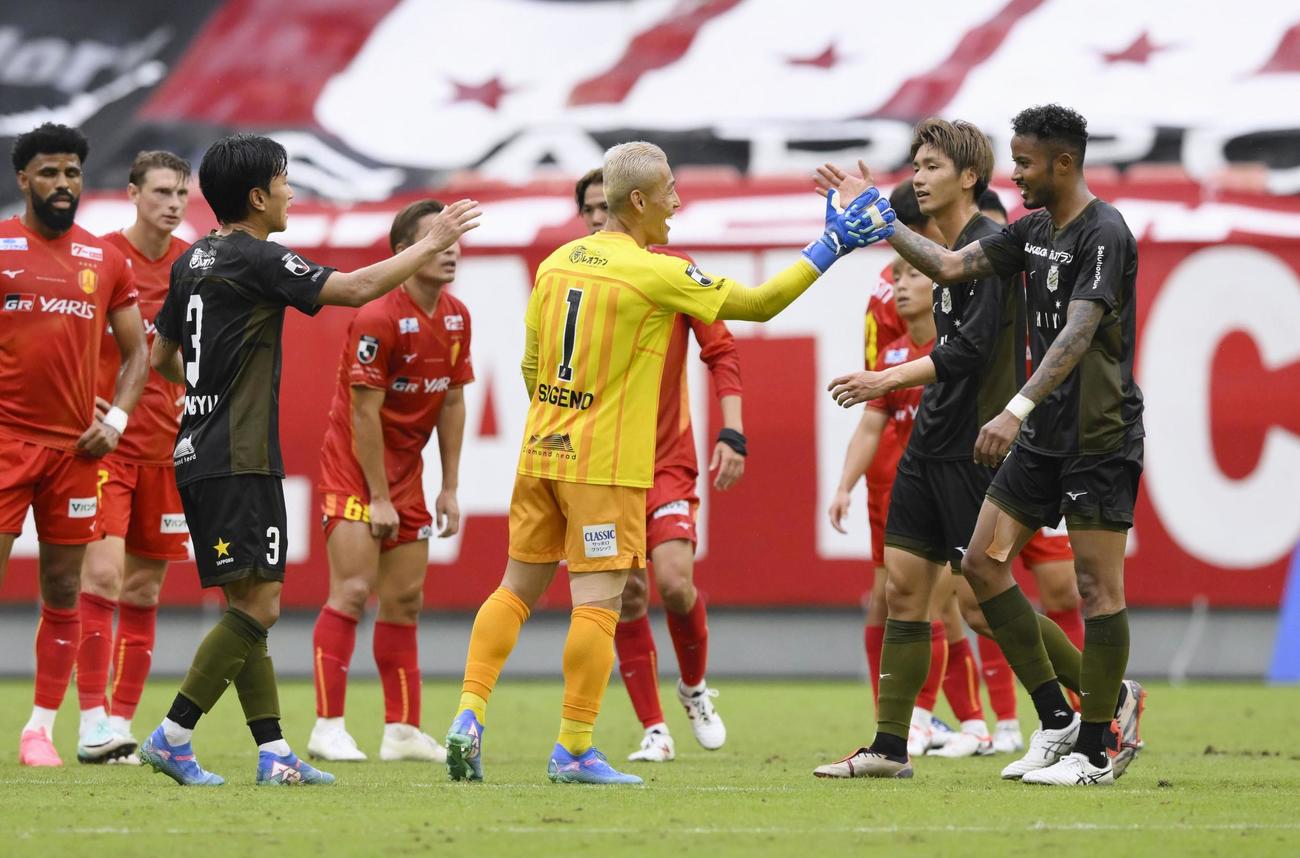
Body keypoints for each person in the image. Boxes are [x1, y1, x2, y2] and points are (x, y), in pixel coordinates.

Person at [443, 140, 892, 786]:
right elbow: (760, 304)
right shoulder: (651, 271)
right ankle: (572, 749)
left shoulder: (555, 263)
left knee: (514, 591)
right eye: (668, 192)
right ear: (637, 201)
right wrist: (834, 245)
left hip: (541, 452)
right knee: (597, 605)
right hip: (606, 469)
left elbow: (530, 367)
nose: (677, 204)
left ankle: (468, 715)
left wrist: (563, 416)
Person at [140, 134, 480, 786]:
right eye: (286, 180)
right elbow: (354, 289)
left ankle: (274, 754)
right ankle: (173, 735)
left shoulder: (192, 260)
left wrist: (213, 381)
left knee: (249, 604)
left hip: (196, 444)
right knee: (259, 607)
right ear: (258, 195)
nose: (292, 191)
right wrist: (431, 242)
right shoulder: (259, 257)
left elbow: (161, 358)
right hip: (240, 454)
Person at [834, 104, 1147, 786]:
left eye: (1027, 163)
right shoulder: (1030, 232)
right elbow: (947, 266)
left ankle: (1097, 738)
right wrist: (877, 220)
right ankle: (1043, 723)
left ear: (1063, 163)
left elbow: (1078, 332)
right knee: (971, 568)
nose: (1018, 174)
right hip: (1030, 431)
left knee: (1089, 586)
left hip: (1091, 429)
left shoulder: (1105, 232)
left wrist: (1014, 407)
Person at [816, 118, 1025, 779]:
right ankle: (889, 745)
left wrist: (886, 377)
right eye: (915, 165)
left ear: (968, 176)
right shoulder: (944, 254)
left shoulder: (987, 247)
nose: (918, 175)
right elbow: (930, 266)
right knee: (903, 591)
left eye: (930, 165)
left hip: (975, 445)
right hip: (928, 446)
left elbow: (963, 351)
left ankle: (1086, 705)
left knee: (987, 596)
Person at [572, 169, 747, 764]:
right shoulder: (573, 275)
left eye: (605, 206)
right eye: (590, 209)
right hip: (600, 463)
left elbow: (721, 349)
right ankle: (654, 727)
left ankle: (693, 689)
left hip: (665, 460)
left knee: (674, 584)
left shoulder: (672, 270)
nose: (599, 217)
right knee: (626, 594)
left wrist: (733, 430)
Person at [0, 123, 149, 767]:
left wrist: (115, 421)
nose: (63, 185)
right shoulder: (2, 245)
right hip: (6, 443)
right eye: (50, 173)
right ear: (23, 179)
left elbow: (139, 351)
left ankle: (43, 732)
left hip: (75, 453)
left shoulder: (104, 259)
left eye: (73, 173)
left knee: (64, 589)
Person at [308, 199, 473, 763]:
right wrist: (377, 496)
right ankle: (327, 727)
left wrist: (449, 486)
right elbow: (362, 415)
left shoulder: (456, 316)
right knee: (353, 591)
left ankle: (402, 730)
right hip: (354, 470)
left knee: (405, 602)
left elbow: (452, 402)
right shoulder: (377, 316)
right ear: (405, 252)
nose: (451, 248)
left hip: (407, 476)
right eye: (437, 237)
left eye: (455, 237)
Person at [74, 150, 193, 766]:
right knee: (102, 576)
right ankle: (91, 719)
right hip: (108, 448)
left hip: (167, 452)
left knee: (144, 592)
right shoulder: (99, 258)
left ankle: (120, 728)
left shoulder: (190, 267)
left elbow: (198, 356)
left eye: (181, 193)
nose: (173, 203)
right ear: (132, 193)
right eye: (162, 191)